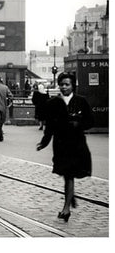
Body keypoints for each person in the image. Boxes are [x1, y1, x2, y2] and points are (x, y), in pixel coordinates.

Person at [36, 72, 94, 222]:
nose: (64, 87)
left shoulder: (81, 101)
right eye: (61, 84)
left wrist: (79, 124)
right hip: (61, 144)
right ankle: (70, 196)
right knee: (66, 174)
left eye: (67, 84)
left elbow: (90, 121)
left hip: (77, 144)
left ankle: (66, 208)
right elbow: (49, 125)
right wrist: (44, 142)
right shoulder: (53, 103)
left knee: (69, 174)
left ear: (72, 85)